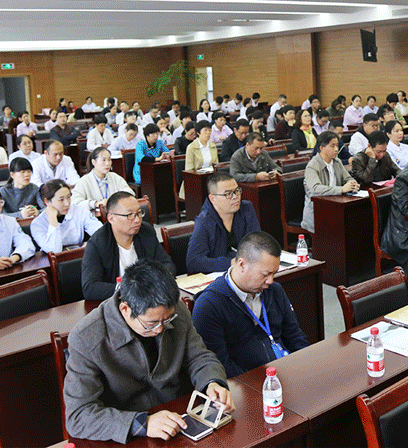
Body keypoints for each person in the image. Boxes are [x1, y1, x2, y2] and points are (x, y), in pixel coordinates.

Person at [65, 258, 232, 442]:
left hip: (179, 418)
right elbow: (78, 416)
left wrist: (212, 383)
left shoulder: (174, 311)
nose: (160, 329)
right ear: (125, 309)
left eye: (166, 320)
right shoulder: (86, 337)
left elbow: (199, 357)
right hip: (127, 434)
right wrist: (142, 423)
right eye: (151, 323)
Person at [192, 231, 309, 377]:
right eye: (265, 274)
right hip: (246, 383)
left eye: (274, 273)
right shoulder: (209, 305)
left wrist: (307, 365)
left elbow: (295, 336)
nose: (270, 281)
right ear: (242, 264)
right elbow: (220, 365)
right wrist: (256, 385)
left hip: (285, 372)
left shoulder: (274, 290)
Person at [81, 193, 174, 300]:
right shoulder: (97, 243)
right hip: (117, 301)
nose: (137, 220)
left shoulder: (146, 232)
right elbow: (90, 288)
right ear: (111, 218)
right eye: (129, 215)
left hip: (149, 298)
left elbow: (167, 264)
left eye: (139, 213)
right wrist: (130, 289)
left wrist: (153, 283)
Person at [186, 173, 262, 273]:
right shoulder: (204, 221)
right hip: (219, 275)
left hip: (246, 270)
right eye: (228, 194)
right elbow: (193, 262)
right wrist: (230, 263)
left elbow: (257, 244)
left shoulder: (246, 208)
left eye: (237, 191)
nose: (235, 197)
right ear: (213, 199)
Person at [302, 131, 359, 233]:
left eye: (337, 145)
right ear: (322, 148)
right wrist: (341, 189)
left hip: (335, 207)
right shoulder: (312, 166)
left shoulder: (337, 162)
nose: (336, 149)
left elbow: (348, 178)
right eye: (332, 146)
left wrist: (352, 184)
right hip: (317, 212)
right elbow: (315, 189)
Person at [31, 180, 102, 253]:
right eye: (61, 200)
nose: (67, 204)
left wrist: (92, 243)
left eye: (68, 197)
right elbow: (54, 250)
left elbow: (101, 232)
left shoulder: (79, 210)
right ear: (47, 201)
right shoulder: (37, 224)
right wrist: (52, 218)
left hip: (78, 255)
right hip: (53, 259)